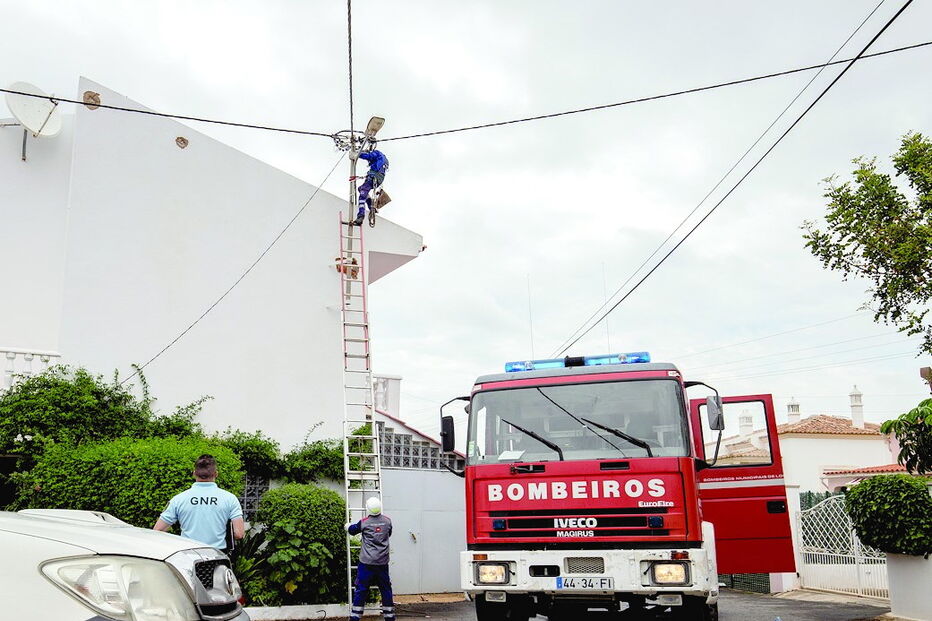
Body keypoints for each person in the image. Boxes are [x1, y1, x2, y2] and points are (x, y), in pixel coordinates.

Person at [153, 454, 245, 553]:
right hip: (217, 555)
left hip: (188, 554)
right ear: (216, 474)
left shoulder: (179, 499)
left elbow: (158, 530)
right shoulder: (229, 498)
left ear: (194, 473)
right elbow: (239, 534)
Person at [346, 497, 394, 621]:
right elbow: (389, 534)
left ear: (367, 509)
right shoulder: (387, 521)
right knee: (385, 589)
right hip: (382, 563)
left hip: (366, 563)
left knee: (361, 589)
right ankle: (390, 618)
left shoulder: (364, 522)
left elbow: (352, 531)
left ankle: (355, 618)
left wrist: (347, 526)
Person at [350, 146, 389, 226]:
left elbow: (369, 156)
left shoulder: (377, 153)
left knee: (362, 195)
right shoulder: (384, 159)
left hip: (374, 177)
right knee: (360, 188)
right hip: (377, 178)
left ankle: (361, 216)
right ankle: (371, 205)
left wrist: (357, 154)